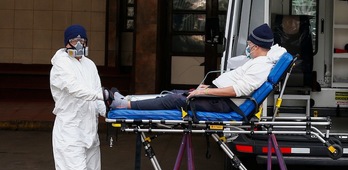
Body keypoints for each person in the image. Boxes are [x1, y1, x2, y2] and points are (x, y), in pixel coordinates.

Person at [104, 23, 286, 113]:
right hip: (222, 98)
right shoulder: (258, 62)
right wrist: (208, 89)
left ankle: (125, 105)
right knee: (175, 93)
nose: (247, 48)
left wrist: (205, 93)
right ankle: (128, 99)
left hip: (227, 104)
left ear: (255, 45)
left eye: (248, 44)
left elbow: (240, 90)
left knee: (175, 100)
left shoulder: (261, 65)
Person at [50, 24, 106, 170]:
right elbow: (75, 89)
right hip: (70, 127)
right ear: (66, 43)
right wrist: (101, 95)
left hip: (89, 126)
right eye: (75, 41)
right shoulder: (61, 65)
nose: (79, 44)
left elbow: (96, 89)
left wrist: (108, 111)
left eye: (83, 41)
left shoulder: (89, 65)